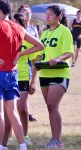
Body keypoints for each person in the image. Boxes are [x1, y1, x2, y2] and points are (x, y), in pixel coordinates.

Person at [0, 0, 44, 150]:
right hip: (13, 74)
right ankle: (22, 146)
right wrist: (21, 52)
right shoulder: (19, 27)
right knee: (13, 112)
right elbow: (40, 46)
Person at [39, 5, 74, 149]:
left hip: (59, 73)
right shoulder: (45, 33)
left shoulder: (65, 31)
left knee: (53, 105)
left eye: (50, 15)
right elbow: (40, 53)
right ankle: (54, 139)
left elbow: (69, 52)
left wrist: (58, 59)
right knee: (49, 107)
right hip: (44, 73)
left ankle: (58, 141)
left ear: (59, 17)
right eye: (46, 14)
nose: (47, 17)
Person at [12, 11, 38, 146]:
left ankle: (25, 135)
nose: (13, 24)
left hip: (22, 76)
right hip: (8, 76)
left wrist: (33, 82)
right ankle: (10, 135)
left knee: (22, 108)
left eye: (16, 22)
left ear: (22, 25)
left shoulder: (27, 39)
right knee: (9, 109)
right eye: (12, 22)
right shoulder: (7, 37)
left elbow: (35, 64)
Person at [17, 4, 38, 123]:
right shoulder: (16, 25)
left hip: (28, 61)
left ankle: (26, 112)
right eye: (24, 12)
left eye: (28, 12)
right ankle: (25, 111)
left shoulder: (32, 29)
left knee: (25, 90)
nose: (26, 14)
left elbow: (38, 44)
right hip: (18, 62)